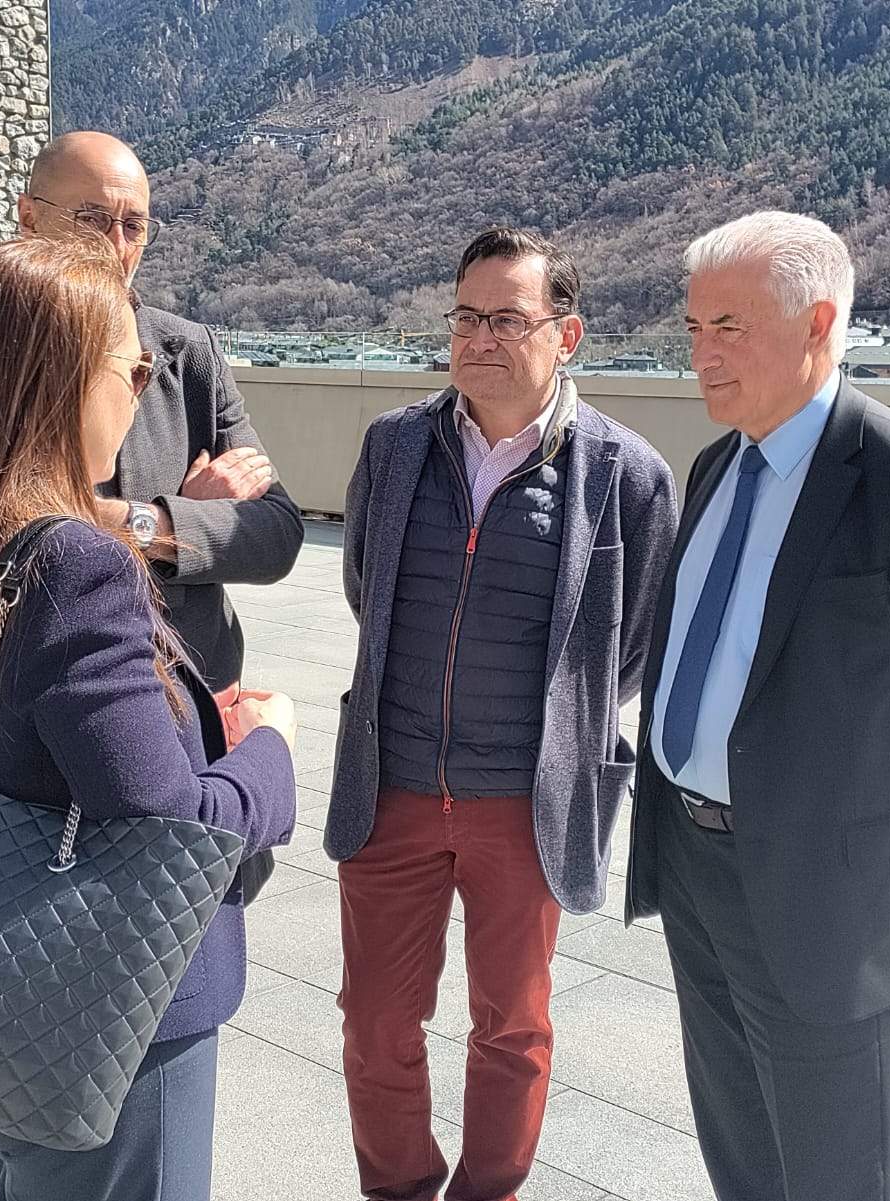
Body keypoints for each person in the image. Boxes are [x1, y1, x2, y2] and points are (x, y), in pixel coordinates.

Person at [0, 236, 299, 1201]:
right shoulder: (74, 563)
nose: (143, 393)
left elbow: (28, 741)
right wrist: (270, 747)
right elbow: (172, 831)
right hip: (109, 1011)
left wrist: (189, 725)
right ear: (59, 378)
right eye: (131, 370)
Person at [623, 211, 890, 1201]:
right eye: (693, 327)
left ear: (816, 324)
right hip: (695, 875)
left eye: (729, 326)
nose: (701, 353)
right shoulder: (716, 465)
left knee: (839, 1176)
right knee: (744, 1161)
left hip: (828, 905)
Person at [326, 228, 678, 1201]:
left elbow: (633, 643)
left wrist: (567, 721)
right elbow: (367, 588)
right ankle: (399, 1188)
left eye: (507, 319)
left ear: (566, 334)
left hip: (527, 802)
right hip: (392, 786)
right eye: (466, 317)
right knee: (374, 1022)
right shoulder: (396, 446)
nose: (480, 338)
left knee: (511, 1027)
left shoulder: (626, 472)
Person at [0, 131, 305, 695]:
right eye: (92, 219)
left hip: (195, 681)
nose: (115, 245)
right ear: (28, 218)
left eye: (133, 226)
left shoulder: (188, 354)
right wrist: (186, 519)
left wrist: (149, 523)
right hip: (37, 681)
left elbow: (276, 536)